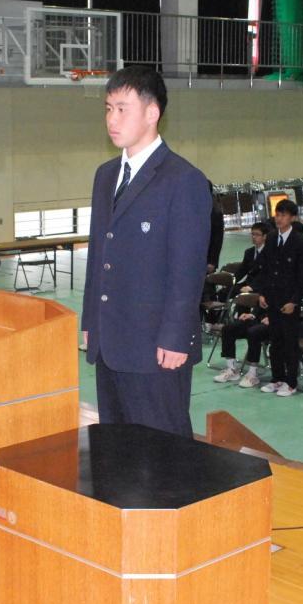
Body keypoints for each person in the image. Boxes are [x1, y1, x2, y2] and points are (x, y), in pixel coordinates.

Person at [82, 66, 211, 437]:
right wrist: (91, 321)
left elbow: (186, 269)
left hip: (156, 347)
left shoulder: (183, 180)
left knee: (163, 446)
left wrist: (175, 336)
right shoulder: (106, 175)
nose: (111, 118)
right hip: (111, 341)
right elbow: (98, 254)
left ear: (152, 114)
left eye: (122, 108)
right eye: (108, 108)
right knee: (117, 443)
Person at [255, 198, 303, 397]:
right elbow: (266, 268)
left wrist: (294, 301)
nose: (279, 218)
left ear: (292, 218)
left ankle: (291, 381)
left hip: (289, 301)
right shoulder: (270, 238)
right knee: (275, 341)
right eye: (277, 214)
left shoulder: (300, 242)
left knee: (289, 343)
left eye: (284, 215)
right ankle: (276, 378)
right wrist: (262, 292)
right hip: (272, 297)